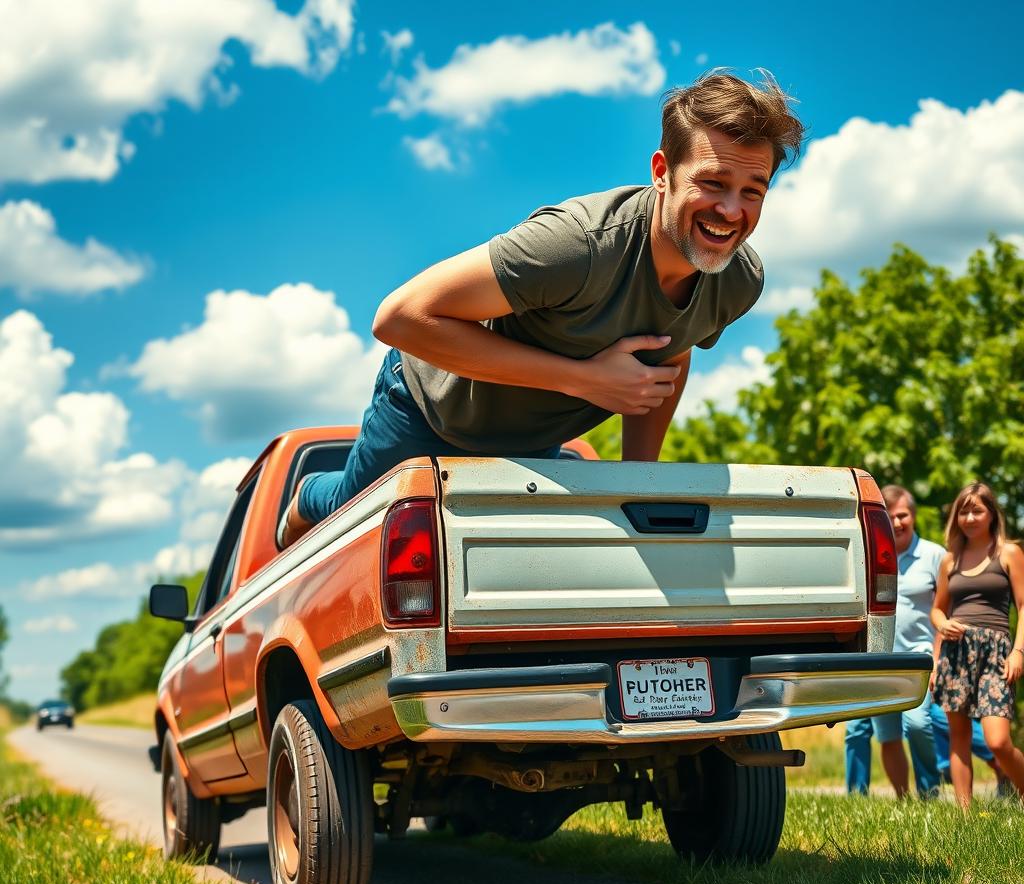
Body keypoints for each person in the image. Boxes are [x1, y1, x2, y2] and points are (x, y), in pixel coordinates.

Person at [278, 72, 805, 546]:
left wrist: (638, 484)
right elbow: (399, 317)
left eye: (752, 191)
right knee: (355, 520)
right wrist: (581, 379)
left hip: (533, 439)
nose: (731, 210)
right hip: (433, 407)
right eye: (712, 183)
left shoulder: (737, 279)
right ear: (662, 171)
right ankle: (312, 495)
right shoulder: (576, 245)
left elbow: (673, 349)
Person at [845, 485, 942, 798]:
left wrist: (939, 661)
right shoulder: (871, 555)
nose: (898, 523)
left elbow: (946, 611)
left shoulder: (934, 555)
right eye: (891, 517)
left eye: (903, 516)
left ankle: (930, 793)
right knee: (887, 735)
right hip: (881, 659)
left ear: (913, 516)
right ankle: (903, 798)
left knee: (917, 724)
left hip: (919, 659)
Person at [931, 482, 1024, 807]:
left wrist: (1018, 651)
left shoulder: (1008, 552)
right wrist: (942, 627)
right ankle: (965, 817)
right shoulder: (950, 559)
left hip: (996, 653)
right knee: (959, 737)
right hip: (955, 653)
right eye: (963, 511)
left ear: (991, 514)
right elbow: (938, 608)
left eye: (977, 510)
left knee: (998, 741)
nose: (969, 517)